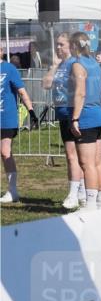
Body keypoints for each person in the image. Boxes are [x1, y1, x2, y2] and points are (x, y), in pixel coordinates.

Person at [43, 33, 87, 209]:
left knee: (73, 155)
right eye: (57, 45)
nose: (58, 48)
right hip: (61, 113)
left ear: (70, 45)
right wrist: (54, 65)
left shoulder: (74, 63)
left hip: (73, 112)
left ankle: (74, 193)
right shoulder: (59, 64)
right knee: (73, 156)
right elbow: (45, 84)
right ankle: (81, 192)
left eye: (62, 45)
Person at [66, 33, 101, 209]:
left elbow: (80, 92)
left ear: (75, 45)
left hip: (87, 116)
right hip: (98, 114)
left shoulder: (78, 64)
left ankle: (90, 205)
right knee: (97, 162)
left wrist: (75, 118)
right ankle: (100, 202)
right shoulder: (95, 64)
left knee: (86, 163)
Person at [0, 55, 38, 204]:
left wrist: (31, 111)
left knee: (5, 151)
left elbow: (21, 91)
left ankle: (12, 190)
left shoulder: (9, 69)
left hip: (6, 118)